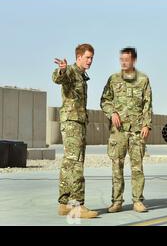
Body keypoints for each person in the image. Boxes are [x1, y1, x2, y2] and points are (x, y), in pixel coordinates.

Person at [100, 47, 152, 213]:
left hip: (137, 130)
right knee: (117, 166)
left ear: (133, 60)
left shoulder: (143, 79)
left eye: (126, 60)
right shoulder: (113, 79)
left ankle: (137, 201)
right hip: (118, 131)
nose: (123, 62)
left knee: (137, 167)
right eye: (121, 59)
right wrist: (112, 112)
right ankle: (117, 201)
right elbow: (104, 100)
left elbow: (147, 104)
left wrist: (146, 124)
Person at [53, 43, 98, 218]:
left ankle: (64, 204)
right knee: (77, 163)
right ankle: (77, 205)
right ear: (78, 57)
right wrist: (62, 70)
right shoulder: (71, 71)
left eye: (92, 58)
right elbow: (58, 78)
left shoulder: (82, 76)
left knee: (68, 163)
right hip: (72, 123)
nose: (90, 61)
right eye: (87, 57)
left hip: (75, 122)